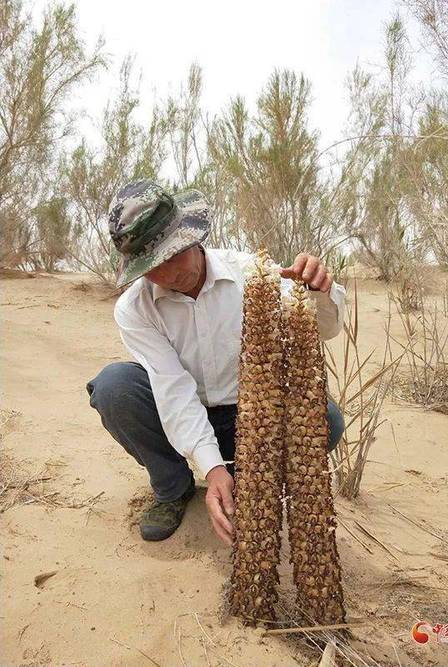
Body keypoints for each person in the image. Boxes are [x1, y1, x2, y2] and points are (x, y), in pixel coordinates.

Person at [86, 180, 347, 545]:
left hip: (254, 416)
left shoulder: (251, 275)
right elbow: (172, 390)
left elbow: (325, 328)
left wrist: (320, 291)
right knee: (114, 387)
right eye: (152, 266)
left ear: (190, 237)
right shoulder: (134, 308)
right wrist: (211, 470)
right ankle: (172, 488)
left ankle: (253, 481)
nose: (168, 274)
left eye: (172, 254)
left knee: (327, 419)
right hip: (183, 418)